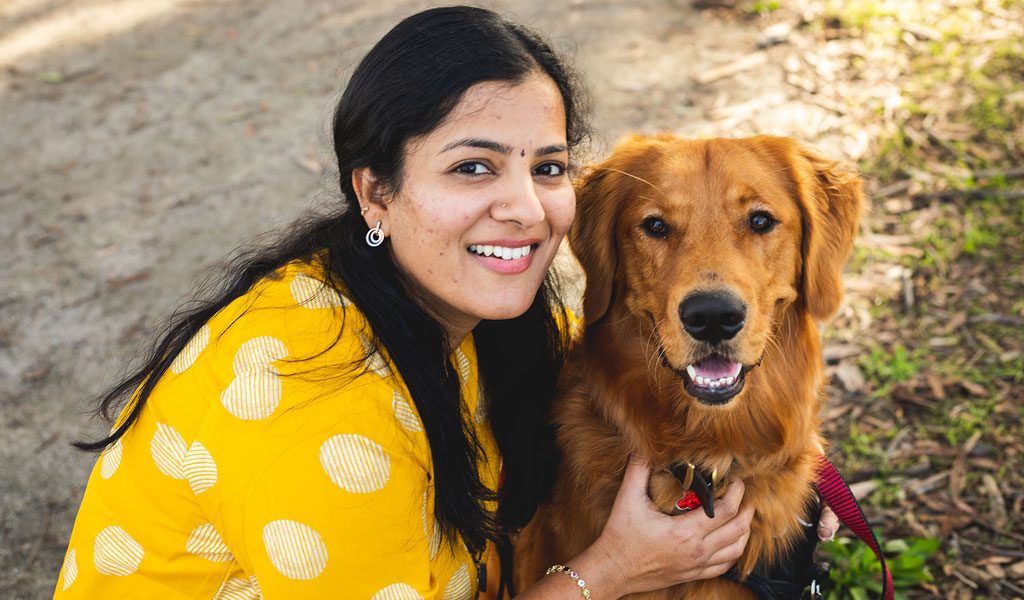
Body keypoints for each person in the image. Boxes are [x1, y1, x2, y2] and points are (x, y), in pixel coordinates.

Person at [55, 6, 830, 598]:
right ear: (375, 191)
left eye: (548, 167)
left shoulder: (471, 307)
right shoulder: (310, 405)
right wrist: (611, 571)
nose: (525, 208)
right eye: (472, 168)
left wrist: (775, 478)